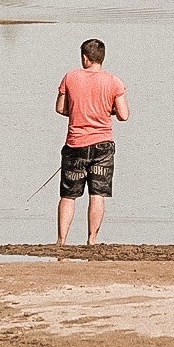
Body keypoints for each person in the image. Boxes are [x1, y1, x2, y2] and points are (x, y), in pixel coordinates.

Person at [55, 38, 129, 246]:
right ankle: (92, 240)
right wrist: (109, 110)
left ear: (85, 58)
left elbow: (61, 108)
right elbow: (124, 115)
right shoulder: (114, 81)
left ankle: (62, 241)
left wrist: (78, 110)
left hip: (75, 145)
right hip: (102, 145)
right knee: (97, 194)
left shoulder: (70, 77)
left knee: (68, 195)